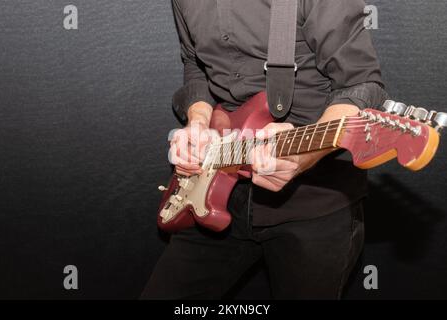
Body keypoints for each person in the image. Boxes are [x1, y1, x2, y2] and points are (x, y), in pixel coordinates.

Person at [142, 0, 388, 299]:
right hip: (214, 188)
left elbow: (362, 85)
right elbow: (195, 64)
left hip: (313, 202)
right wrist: (198, 121)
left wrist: (302, 157)